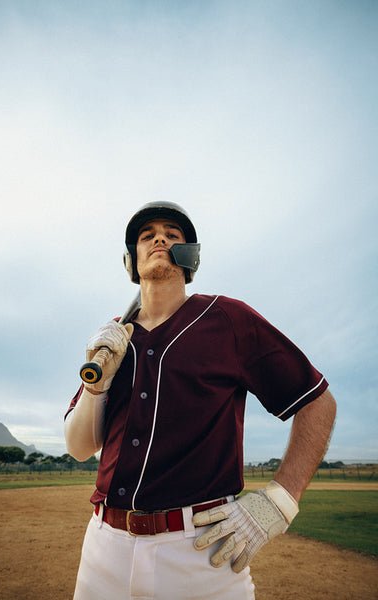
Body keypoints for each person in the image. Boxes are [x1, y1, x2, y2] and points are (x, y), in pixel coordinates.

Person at [65, 201, 336, 600]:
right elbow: (79, 448)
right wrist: (97, 385)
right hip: (104, 550)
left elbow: (318, 402)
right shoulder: (113, 339)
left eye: (172, 234)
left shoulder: (227, 318)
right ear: (131, 260)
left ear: (189, 256)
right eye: (146, 236)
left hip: (200, 553)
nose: (159, 238)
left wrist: (280, 502)